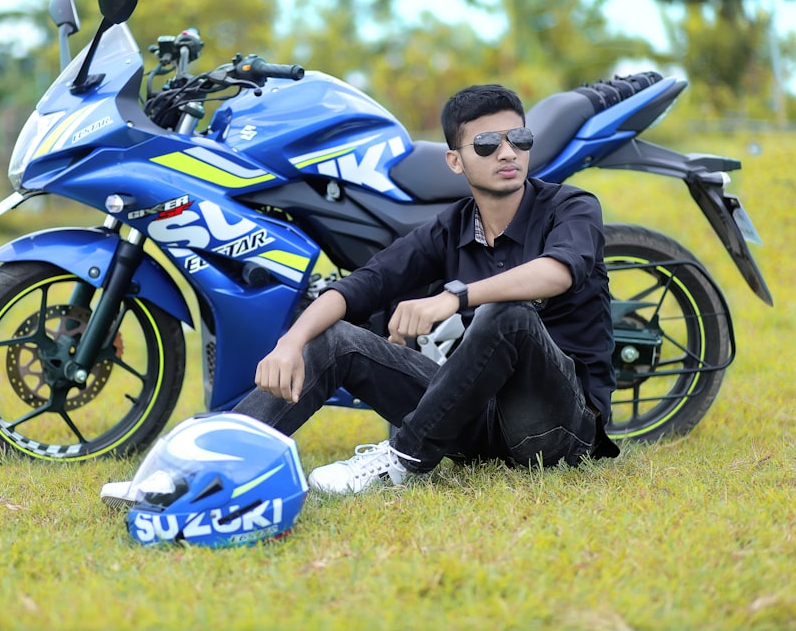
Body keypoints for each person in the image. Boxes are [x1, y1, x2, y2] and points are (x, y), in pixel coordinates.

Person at [231, 83, 619, 495]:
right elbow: (363, 285)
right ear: (455, 160)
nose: (508, 153)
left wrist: (454, 296)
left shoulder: (572, 206)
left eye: (519, 139)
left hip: (557, 428)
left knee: (508, 314)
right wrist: (290, 343)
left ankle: (402, 458)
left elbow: (559, 271)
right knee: (334, 340)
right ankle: (222, 454)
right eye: (487, 144)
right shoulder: (448, 227)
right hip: (478, 424)